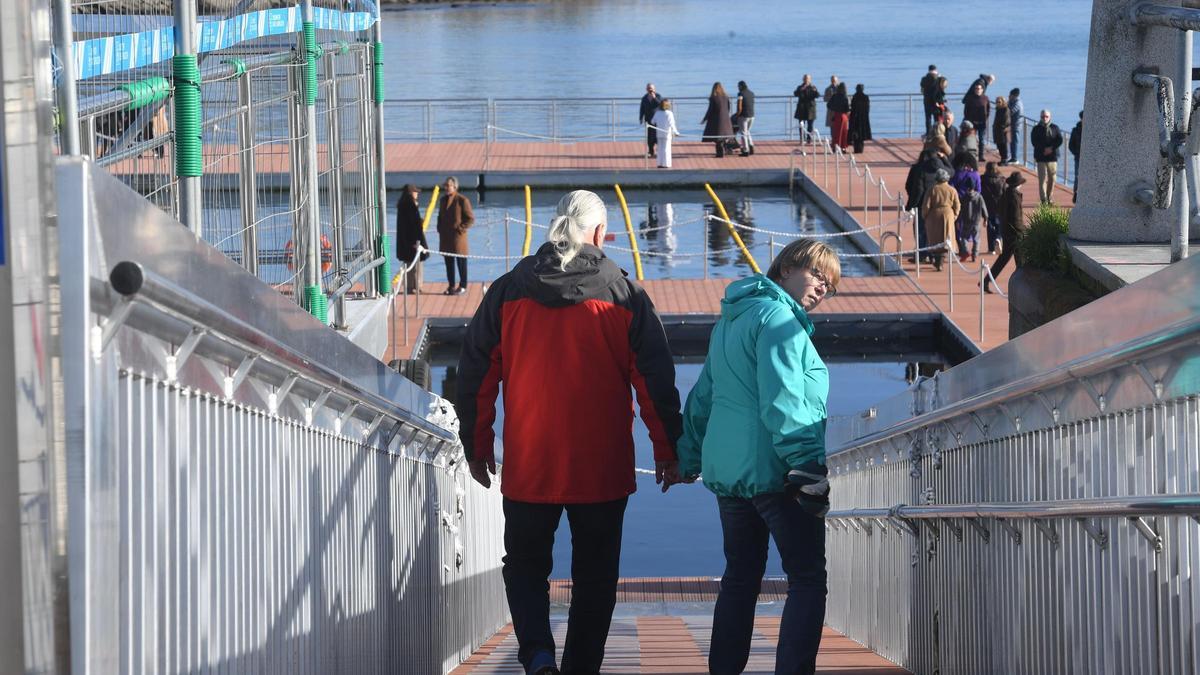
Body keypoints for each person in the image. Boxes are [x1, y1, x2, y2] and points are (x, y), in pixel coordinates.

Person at [457, 190, 684, 675]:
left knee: (525, 566)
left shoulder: (508, 291)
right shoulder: (624, 294)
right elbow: (655, 381)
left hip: (530, 462)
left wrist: (477, 446)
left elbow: (476, 373)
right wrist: (668, 450)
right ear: (600, 233)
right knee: (596, 577)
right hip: (601, 467)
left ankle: (538, 654)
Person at [676, 239, 841, 675]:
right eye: (817, 275)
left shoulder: (732, 319)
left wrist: (687, 456)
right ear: (786, 268)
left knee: (740, 577)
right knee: (807, 578)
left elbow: (704, 396)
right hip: (776, 472)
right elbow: (783, 399)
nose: (822, 287)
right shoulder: (779, 319)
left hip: (730, 476)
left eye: (830, 285)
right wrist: (807, 466)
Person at [984, 171, 1027, 293]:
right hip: (1015, 233)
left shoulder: (1006, 194)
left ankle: (987, 280)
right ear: (1018, 184)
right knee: (1020, 261)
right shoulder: (1014, 196)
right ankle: (1021, 285)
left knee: (1005, 259)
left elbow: (999, 210)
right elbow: (1016, 218)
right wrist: (1023, 231)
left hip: (1007, 231)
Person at [905, 149, 953, 256]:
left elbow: (915, 188)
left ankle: (922, 253)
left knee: (920, 230)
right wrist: (944, 159)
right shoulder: (943, 169)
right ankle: (934, 253)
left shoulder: (918, 169)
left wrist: (911, 204)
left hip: (922, 204)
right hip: (938, 204)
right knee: (934, 230)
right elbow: (952, 171)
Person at [436, 176, 474, 295]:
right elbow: (440, 216)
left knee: (461, 263)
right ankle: (451, 286)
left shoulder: (462, 200)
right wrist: (439, 228)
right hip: (446, 238)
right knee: (449, 263)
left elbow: (470, 219)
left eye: (449, 185)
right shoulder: (443, 200)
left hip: (458, 238)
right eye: (445, 186)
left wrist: (460, 229)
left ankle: (463, 285)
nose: (446, 188)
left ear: (455, 186)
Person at [922, 169, 960, 271]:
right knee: (946, 238)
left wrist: (925, 215)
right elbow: (957, 205)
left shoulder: (932, 189)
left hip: (934, 215)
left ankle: (938, 261)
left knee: (935, 239)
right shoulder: (952, 190)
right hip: (948, 214)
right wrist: (955, 215)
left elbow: (926, 205)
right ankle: (940, 261)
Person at [395, 184, 430, 293]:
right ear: (411, 193)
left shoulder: (402, 204)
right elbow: (413, 225)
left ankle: (411, 286)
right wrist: (416, 241)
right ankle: (415, 286)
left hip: (406, 240)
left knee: (409, 263)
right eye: (415, 192)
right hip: (413, 239)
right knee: (415, 264)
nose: (417, 194)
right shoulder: (410, 205)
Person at [1031, 109, 1063, 204]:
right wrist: (1044, 149)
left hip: (1052, 157)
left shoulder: (1055, 127)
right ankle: (1043, 199)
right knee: (1042, 179)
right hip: (1041, 156)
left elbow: (1060, 140)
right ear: (1040, 117)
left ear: (1050, 117)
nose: (1044, 118)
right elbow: (1034, 141)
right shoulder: (1036, 128)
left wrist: (1051, 148)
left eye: (1046, 116)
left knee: (1052, 178)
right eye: (1043, 116)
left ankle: (1049, 197)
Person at [957, 184, 988, 262]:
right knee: (976, 238)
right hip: (976, 220)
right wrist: (985, 218)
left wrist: (959, 220)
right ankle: (975, 254)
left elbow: (961, 210)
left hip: (966, 220)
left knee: (963, 237)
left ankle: (966, 251)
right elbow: (983, 208)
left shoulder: (964, 197)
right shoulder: (979, 197)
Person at [702, 82, 734, 158]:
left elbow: (710, 110)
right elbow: (728, 108)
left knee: (716, 135)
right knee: (723, 135)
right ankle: (725, 147)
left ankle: (720, 152)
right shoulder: (726, 97)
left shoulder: (713, 98)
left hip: (716, 120)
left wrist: (705, 119)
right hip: (726, 119)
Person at [980, 161, 1006, 254]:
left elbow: (980, 192)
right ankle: (998, 238)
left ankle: (991, 248)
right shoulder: (1002, 179)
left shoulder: (983, 179)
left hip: (987, 205)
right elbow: (1005, 192)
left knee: (990, 226)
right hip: (1000, 205)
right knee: (1000, 224)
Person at [962, 83, 990, 162]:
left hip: (982, 123)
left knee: (981, 140)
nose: (977, 90)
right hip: (972, 123)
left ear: (982, 90)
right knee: (971, 139)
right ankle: (971, 155)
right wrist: (968, 120)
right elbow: (966, 110)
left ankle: (981, 156)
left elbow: (988, 109)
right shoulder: (970, 98)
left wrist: (985, 118)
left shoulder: (985, 98)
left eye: (979, 88)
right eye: (976, 89)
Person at [651, 99, 679, 168]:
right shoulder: (669, 113)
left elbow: (652, 122)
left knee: (660, 149)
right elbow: (672, 124)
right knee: (666, 149)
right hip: (667, 134)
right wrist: (676, 132)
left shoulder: (657, 113)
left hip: (659, 133)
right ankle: (666, 164)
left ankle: (659, 163)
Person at [639, 83, 663, 159]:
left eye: (651, 88)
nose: (650, 90)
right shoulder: (644, 98)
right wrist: (641, 118)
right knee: (649, 137)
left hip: (657, 120)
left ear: (654, 89)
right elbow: (642, 108)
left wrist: (654, 98)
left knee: (657, 136)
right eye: (649, 88)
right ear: (646, 89)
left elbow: (661, 105)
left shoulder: (658, 96)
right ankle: (650, 151)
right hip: (648, 120)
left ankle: (659, 151)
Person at [793, 75, 820, 142]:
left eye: (807, 79)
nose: (806, 80)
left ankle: (809, 138)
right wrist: (801, 89)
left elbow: (817, 95)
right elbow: (795, 94)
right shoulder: (800, 87)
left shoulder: (813, 87)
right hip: (802, 108)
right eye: (805, 79)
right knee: (801, 124)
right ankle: (802, 138)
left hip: (810, 109)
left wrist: (815, 91)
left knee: (810, 125)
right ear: (803, 79)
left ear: (810, 80)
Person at [849, 84, 872, 154]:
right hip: (863, 118)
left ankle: (856, 148)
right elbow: (868, 108)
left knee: (856, 133)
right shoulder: (866, 97)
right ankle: (861, 148)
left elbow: (852, 107)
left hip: (855, 117)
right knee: (862, 134)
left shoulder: (855, 97)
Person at [828, 82, 851, 151]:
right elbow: (847, 108)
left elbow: (828, 105)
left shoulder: (834, 96)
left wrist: (834, 108)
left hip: (836, 115)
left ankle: (835, 147)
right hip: (844, 116)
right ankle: (843, 147)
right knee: (844, 132)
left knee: (836, 132)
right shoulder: (845, 97)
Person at [736, 80, 756, 156]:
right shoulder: (751, 93)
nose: (738, 88)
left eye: (738, 86)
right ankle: (751, 146)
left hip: (744, 116)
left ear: (741, 86)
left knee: (743, 133)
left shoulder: (740, 94)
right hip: (752, 115)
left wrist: (737, 115)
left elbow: (739, 106)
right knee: (747, 131)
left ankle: (745, 151)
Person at [920, 64, 940, 134]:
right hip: (936, 101)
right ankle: (936, 132)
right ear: (935, 70)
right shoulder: (938, 78)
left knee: (928, 118)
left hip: (927, 101)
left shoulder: (924, 79)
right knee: (936, 118)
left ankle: (928, 133)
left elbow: (922, 87)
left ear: (928, 70)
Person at [1069, 110, 1083, 204]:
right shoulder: (1075, 130)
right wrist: (1077, 153)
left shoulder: (1092, 130)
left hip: (1089, 160)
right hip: (1078, 158)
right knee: (1077, 176)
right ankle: (1076, 194)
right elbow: (1071, 145)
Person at [992, 96, 1011, 165]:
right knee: (999, 144)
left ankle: (1005, 160)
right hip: (997, 130)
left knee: (1003, 145)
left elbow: (1006, 120)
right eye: (996, 102)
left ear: (1003, 102)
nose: (998, 103)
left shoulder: (1006, 109)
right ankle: (1002, 159)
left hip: (1002, 130)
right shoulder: (998, 109)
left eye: (999, 102)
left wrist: (1002, 127)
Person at [1007, 88, 1024, 165]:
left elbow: (1010, 112)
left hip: (1016, 125)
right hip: (1012, 125)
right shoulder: (1012, 101)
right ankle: (1012, 157)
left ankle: (1015, 158)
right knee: (1012, 141)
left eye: (1010, 95)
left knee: (1015, 142)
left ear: (1014, 96)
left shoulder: (1017, 103)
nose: (1009, 96)